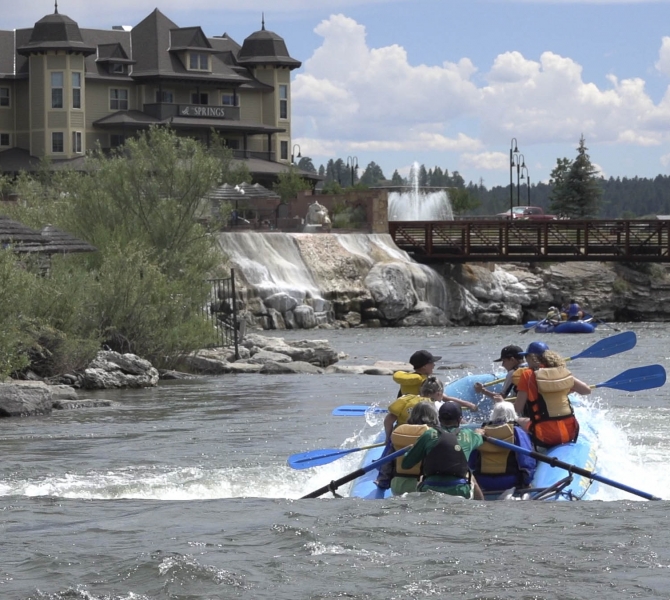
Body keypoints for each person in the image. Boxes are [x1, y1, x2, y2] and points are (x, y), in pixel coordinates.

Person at [514, 341, 592, 449]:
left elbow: (517, 409)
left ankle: (528, 458)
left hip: (545, 435)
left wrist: (501, 404)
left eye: (526, 357)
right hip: (570, 432)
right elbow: (586, 390)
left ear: (532, 358)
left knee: (516, 420)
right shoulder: (562, 372)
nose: (526, 361)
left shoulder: (527, 375)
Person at [401, 401, 485, 499]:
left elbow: (406, 464)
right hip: (459, 490)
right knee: (471, 477)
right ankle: (482, 506)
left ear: (439, 419)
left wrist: (410, 450)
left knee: (421, 479)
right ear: (460, 419)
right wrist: (479, 433)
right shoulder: (469, 435)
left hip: (429, 488)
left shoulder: (428, 434)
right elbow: (479, 438)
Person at [375, 376, 445, 489]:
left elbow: (389, 420)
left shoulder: (406, 399)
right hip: (427, 438)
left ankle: (383, 479)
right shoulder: (438, 405)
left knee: (390, 453)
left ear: (421, 390)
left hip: (403, 436)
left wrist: (388, 438)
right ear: (439, 393)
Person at [468, 402, 537, 494]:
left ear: (494, 413)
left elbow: (471, 462)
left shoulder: (481, 432)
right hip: (511, 481)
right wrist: (527, 481)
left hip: (483, 481)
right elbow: (527, 460)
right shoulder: (516, 431)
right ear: (513, 413)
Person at [393, 350, 477, 412]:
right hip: (423, 414)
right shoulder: (424, 381)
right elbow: (444, 398)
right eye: (431, 363)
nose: (434, 365)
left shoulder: (409, 379)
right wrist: (469, 405)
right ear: (424, 366)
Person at [389, 401, 438, 495]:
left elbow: (390, 461)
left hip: (397, 485)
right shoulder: (432, 434)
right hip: (420, 484)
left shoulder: (399, 430)